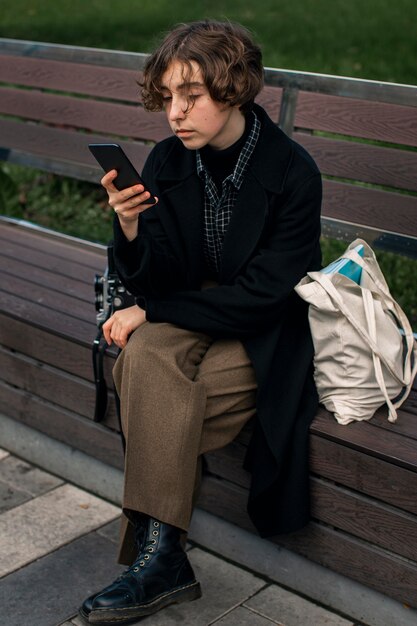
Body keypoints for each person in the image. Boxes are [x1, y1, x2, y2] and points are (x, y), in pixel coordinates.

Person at [80, 19, 322, 625]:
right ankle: (165, 561)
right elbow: (156, 280)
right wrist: (130, 227)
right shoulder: (166, 162)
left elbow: (265, 297)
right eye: (168, 98)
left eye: (192, 96)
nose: (175, 113)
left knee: (147, 380)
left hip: (265, 328)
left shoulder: (292, 172)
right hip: (192, 310)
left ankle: (157, 560)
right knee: (146, 360)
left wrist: (152, 310)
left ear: (234, 87)